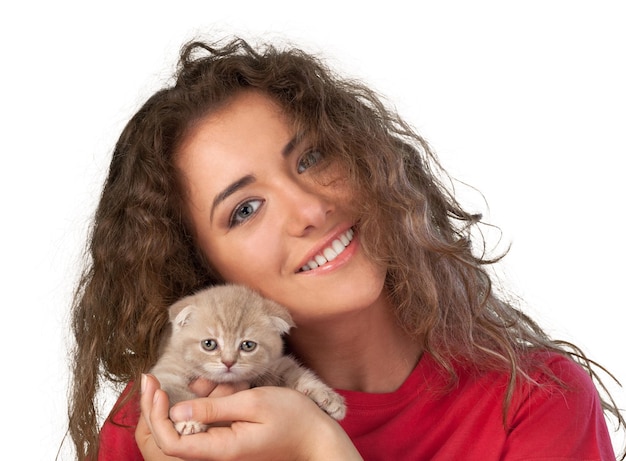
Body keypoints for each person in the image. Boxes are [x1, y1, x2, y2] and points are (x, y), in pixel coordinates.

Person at [67, 36, 625, 461]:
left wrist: (320, 447)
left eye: (310, 159)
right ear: (201, 270)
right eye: (244, 210)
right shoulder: (163, 425)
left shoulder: (532, 403)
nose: (311, 209)